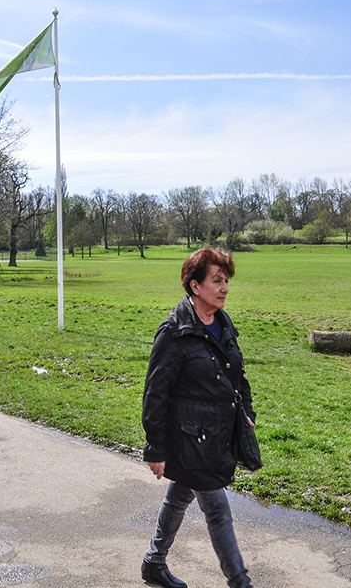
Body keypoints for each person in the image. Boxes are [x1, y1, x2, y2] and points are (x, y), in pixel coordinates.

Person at [141, 247, 256, 588]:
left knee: (180, 495)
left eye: (226, 281)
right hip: (187, 437)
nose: (225, 288)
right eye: (216, 281)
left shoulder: (223, 324)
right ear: (194, 286)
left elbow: (238, 374)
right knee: (217, 508)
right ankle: (240, 581)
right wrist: (156, 449)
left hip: (217, 435)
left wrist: (246, 411)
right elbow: (155, 393)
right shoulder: (174, 332)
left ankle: (153, 562)